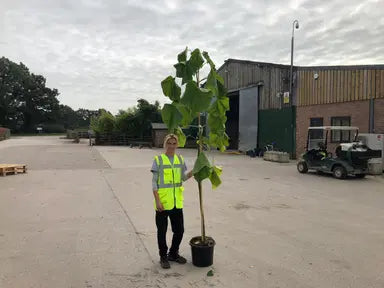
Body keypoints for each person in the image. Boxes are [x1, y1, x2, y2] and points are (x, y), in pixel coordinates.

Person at [151, 134, 193, 269]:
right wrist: (157, 201)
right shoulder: (158, 160)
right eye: (169, 143)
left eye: (174, 143)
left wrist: (193, 172)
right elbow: (154, 183)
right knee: (162, 232)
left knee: (179, 230)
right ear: (165, 144)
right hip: (163, 203)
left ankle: (173, 253)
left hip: (176, 202)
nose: (172, 146)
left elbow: (183, 178)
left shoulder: (180, 159)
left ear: (177, 145)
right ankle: (163, 257)